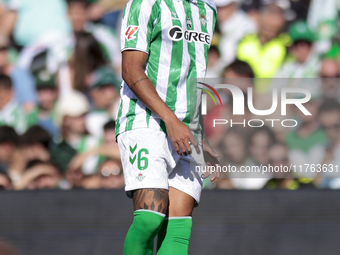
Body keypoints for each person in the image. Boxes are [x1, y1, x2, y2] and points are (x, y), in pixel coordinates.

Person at [116, 0, 219, 254]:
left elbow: (194, 78)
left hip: (187, 129)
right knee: (150, 218)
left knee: (178, 229)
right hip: (145, 121)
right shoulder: (144, 4)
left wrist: (201, 136)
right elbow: (130, 69)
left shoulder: (208, 9)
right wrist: (171, 120)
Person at [237, 1, 290, 92]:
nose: (269, 31)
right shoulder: (245, 41)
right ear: (259, 21)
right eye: (266, 27)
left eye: (274, 29)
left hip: (271, 94)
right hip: (244, 92)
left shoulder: (286, 44)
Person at [66, 0, 121, 72]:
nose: (76, 18)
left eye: (80, 12)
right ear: (67, 14)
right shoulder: (63, 41)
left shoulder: (103, 35)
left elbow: (119, 64)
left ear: (88, 12)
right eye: (73, 13)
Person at [215, 0, 257, 66]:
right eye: (216, 7)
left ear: (234, 5)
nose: (219, 11)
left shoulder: (247, 26)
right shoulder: (211, 22)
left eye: (224, 7)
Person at [86, 66, 121, 137]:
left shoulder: (123, 109)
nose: (108, 93)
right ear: (94, 93)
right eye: (103, 89)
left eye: (112, 88)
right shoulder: (93, 119)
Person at [26, 70, 59, 136]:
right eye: (41, 92)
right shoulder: (30, 117)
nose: (45, 97)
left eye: (48, 92)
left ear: (55, 92)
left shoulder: (60, 114)